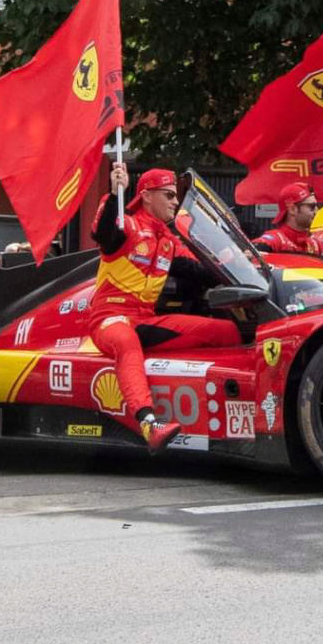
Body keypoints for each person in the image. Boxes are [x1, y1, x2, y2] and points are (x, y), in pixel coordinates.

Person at [86, 163, 241, 452]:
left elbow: (203, 273)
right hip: (109, 319)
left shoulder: (169, 241)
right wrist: (115, 192)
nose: (175, 202)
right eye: (168, 195)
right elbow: (101, 232)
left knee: (227, 331)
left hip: (146, 320)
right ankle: (148, 423)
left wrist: (235, 259)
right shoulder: (126, 225)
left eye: (175, 196)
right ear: (146, 195)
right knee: (126, 341)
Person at [253, 181, 323, 255]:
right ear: (293, 209)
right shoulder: (276, 239)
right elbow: (251, 251)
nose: (317, 211)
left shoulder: (316, 244)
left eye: (316, 206)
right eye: (312, 206)